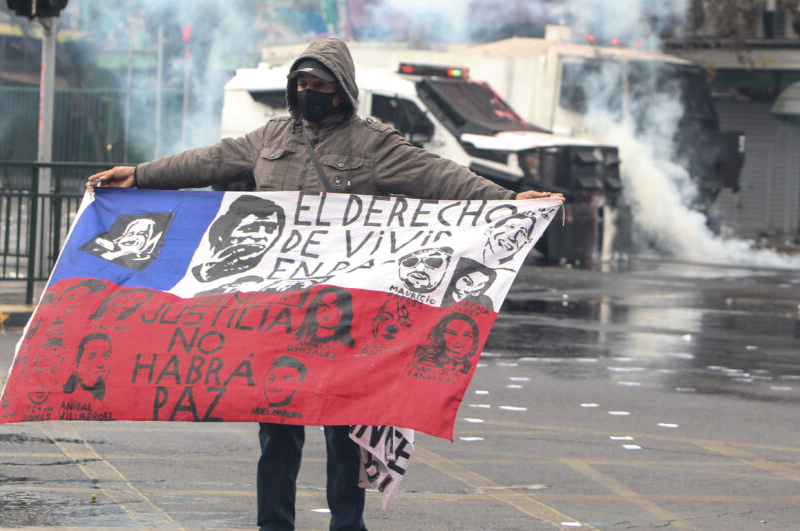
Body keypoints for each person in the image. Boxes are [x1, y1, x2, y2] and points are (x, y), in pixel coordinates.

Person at [87, 37, 562, 531]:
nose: (308, 90)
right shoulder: (269, 137)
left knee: (344, 435)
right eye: (302, 82)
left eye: (319, 83)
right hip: (277, 314)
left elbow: (439, 175)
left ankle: (346, 525)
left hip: (343, 318)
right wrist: (139, 175)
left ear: (342, 89)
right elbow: (206, 161)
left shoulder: (374, 144)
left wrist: (506, 199)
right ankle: (273, 525)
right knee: (276, 434)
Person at [412, 312, 480, 373]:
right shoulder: (423, 359)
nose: (459, 340)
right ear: (439, 334)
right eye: (451, 333)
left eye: (467, 335)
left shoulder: (466, 366)